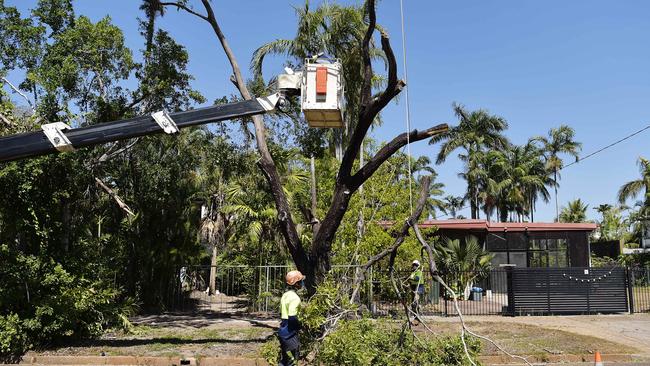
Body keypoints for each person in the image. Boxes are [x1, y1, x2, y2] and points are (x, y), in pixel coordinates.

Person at [278, 270, 305, 366]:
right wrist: (300, 327)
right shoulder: (295, 298)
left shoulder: (285, 295)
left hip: (282, 330)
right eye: (301, 281)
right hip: (289, 333)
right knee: (292, 361)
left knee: (285, 360)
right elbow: (292, 316)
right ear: (296, 284)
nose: (302, 283)